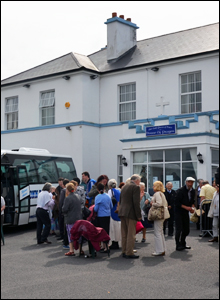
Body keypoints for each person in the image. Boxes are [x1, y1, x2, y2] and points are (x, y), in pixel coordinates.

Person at [118, 174, 142, 259]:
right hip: (130, 213)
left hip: (122, 212)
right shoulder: (135, 187)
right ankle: (129, 252)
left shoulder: (124, 186)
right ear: (136, 180)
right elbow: (136, 203)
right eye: (139, 180)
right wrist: (139, 215)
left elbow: (120, 200)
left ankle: (124, 250)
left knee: (124, 233)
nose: (139, 182)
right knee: (131, 234)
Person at [175, 177, 195, 251]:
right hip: (178, 211)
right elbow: (177, 202)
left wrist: (192, 207)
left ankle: (183, 243)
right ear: (186, 182)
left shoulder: (192, 191)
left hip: (186, 212)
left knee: (186, 229)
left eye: (192, 182)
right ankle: (178, 244)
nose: (190, 184)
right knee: (179, 228)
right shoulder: (180, 191)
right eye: (189, 182)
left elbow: (192, 201)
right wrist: (186, 207)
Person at [62, 182, 82, 256]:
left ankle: (71, 250)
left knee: (70, 234)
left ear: (68, 190)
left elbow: (64, 209)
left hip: (70, 218)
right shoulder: (78, 196)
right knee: (79, 234)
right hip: (78, 218)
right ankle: (80, 249)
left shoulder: (68, 198)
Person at [150, 181, 168, 256]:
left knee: (157, 232)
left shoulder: (157, 194)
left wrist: (152, 204)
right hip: (163, 214)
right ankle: (162, 249)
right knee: (160, 232)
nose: (153, 187)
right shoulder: (161, 194)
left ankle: (159, 250)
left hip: (159, 215)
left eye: (154, 186)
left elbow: (159, 204)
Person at [94, 183, 113, 253]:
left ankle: (103, 246)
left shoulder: (97, 197)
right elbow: (111, 206)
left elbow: (96, 209)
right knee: (106, 230)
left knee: (101, 231)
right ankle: (107, 245)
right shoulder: (108, 196)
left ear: (97, 189)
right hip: (107, 215)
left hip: (100, 216)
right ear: (104, 188)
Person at [108, 179, 121, 250]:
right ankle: (117, 242)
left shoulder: (110, 191)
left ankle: (114, 243)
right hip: (118, 211)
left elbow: (109, 201)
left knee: (113, 228)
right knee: (118, 228)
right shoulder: (119, 191)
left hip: (113, 210)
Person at [57, 178, 69, 243]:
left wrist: (60, 210)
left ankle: (64, 237)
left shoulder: (63, 190)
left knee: (63, 224)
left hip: (64, 210)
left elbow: (61, 201)